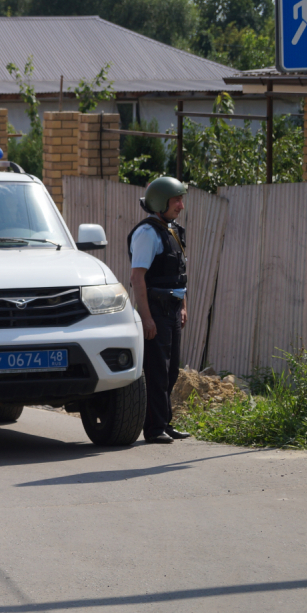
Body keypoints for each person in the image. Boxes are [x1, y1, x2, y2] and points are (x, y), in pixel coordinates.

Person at [128, 176, 191, 445]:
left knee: (172, 370)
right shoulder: (147, 233)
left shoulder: (172, 229)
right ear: (160, 202)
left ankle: (165, 422)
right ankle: (154, 428)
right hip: (156, 309)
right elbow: (137, 278)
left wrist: (184, 307)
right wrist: (146, 317)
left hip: (173, 309)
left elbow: (178, 274)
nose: (181, 205)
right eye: (177, 200)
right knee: (157, 371)